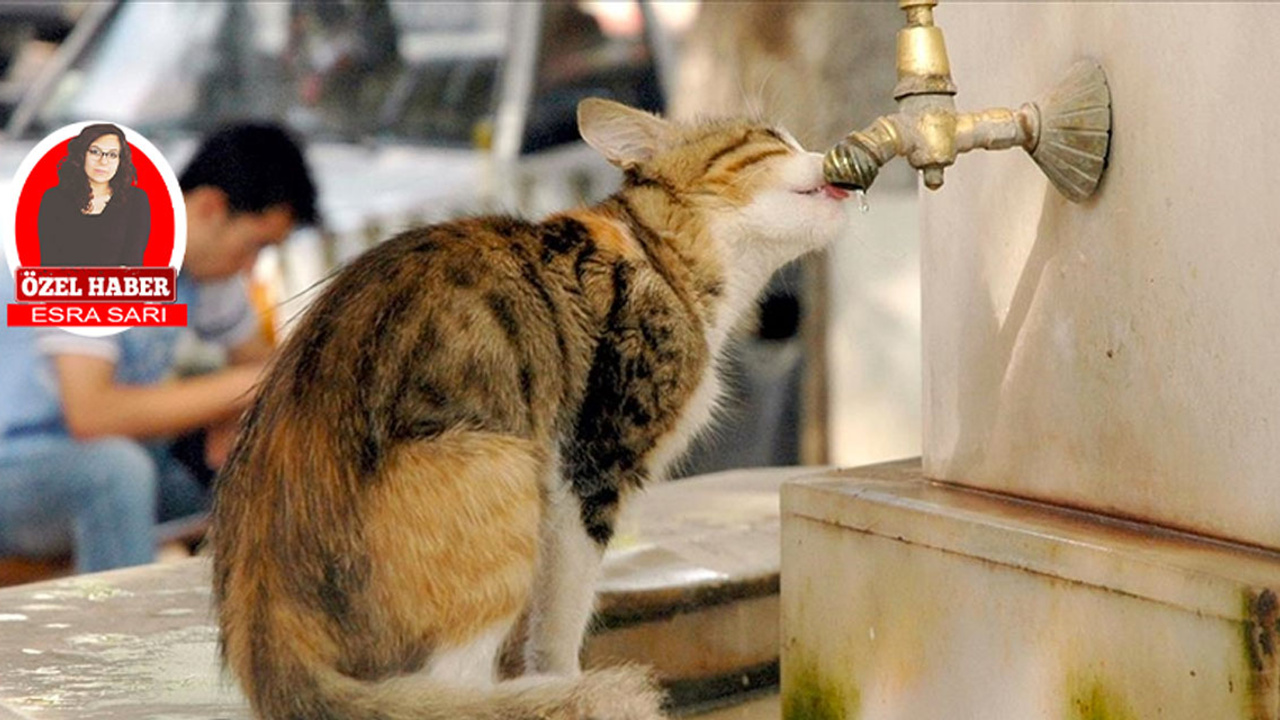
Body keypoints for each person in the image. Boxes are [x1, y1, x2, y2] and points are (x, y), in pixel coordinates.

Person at [0, 123, 319, 573]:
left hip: (96, 457)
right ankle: (116, 637)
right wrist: (244, 390)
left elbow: (275, 374)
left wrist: (242, 412)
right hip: (18, 463)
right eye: (255, 246)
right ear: (210, 207)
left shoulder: (208, 267)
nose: (251, 268)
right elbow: (91, 414)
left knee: (258, 468)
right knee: (116, 473)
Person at [37, 123, 152, 267]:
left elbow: (133, 265)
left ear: (120, 161)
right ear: (81, 154)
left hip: (116, 288)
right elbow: (49, 264)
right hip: (65, 288)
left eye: (112, 155)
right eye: (95, 152)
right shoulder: (54, 199)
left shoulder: (136, 200)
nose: (103, 161)